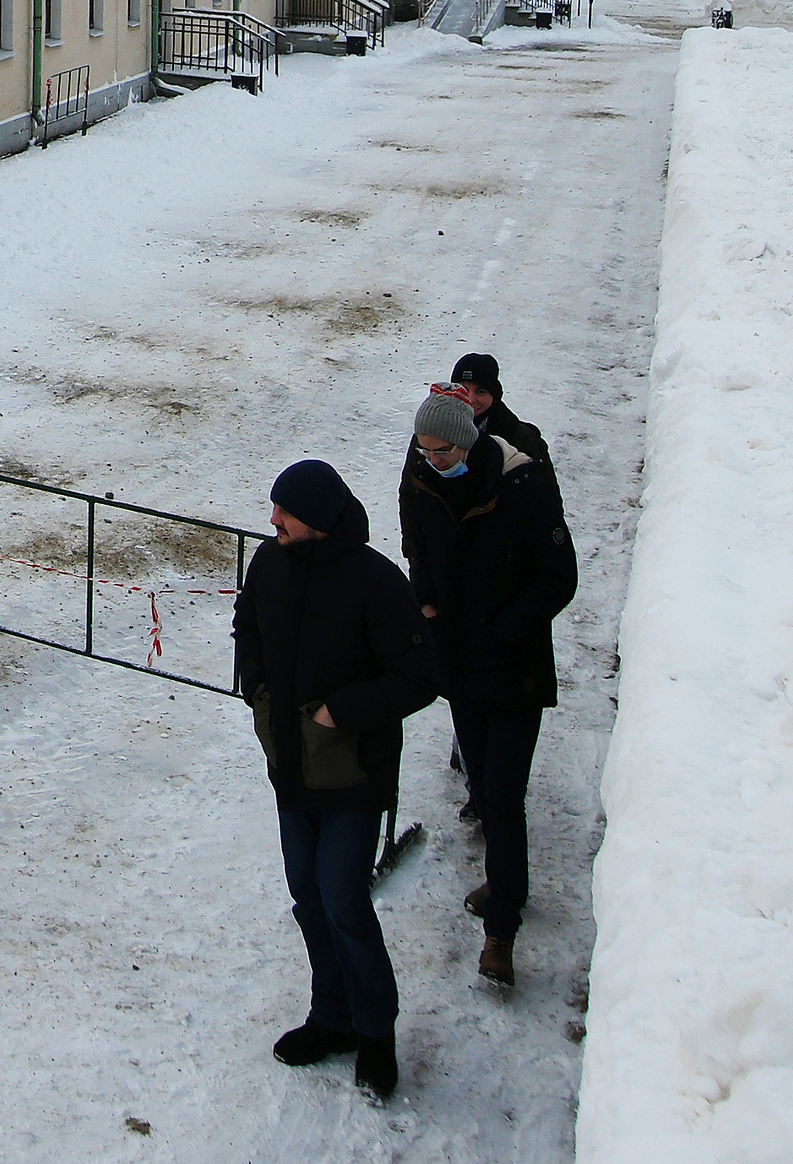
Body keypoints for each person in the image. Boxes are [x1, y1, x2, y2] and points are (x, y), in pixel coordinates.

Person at [237, 459, 439, 1098]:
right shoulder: (270, 564)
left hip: (353, 774)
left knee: (344, 902)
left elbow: (421, 675)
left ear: (318, 520)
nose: (273, 521)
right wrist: (259, 691)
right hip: (292, 772)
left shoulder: (377, 583)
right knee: (308, 899)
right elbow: (248, 624)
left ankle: (376, 1033)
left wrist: (340, 712)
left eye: (284, 511)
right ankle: (333, 1018)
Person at [399, 391, 579, 987]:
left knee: (503, 798)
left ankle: (500, 932)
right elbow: (418, 548)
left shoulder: (523, 485)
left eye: (442, 450)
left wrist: (502, 628)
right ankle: (507, 882)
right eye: (424, 452)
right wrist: (424, 601)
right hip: (461, 667)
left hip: (513, 666)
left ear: (468, 442)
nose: (431, 460)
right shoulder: (426, 480)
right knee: (484, 786)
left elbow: (558, 577)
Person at [435, 352, 549, 467]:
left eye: (481, 392)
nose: (470, 399)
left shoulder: (524, 441)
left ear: (494, 398)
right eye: (463, 389)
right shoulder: (430, 434)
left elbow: (545, 484)